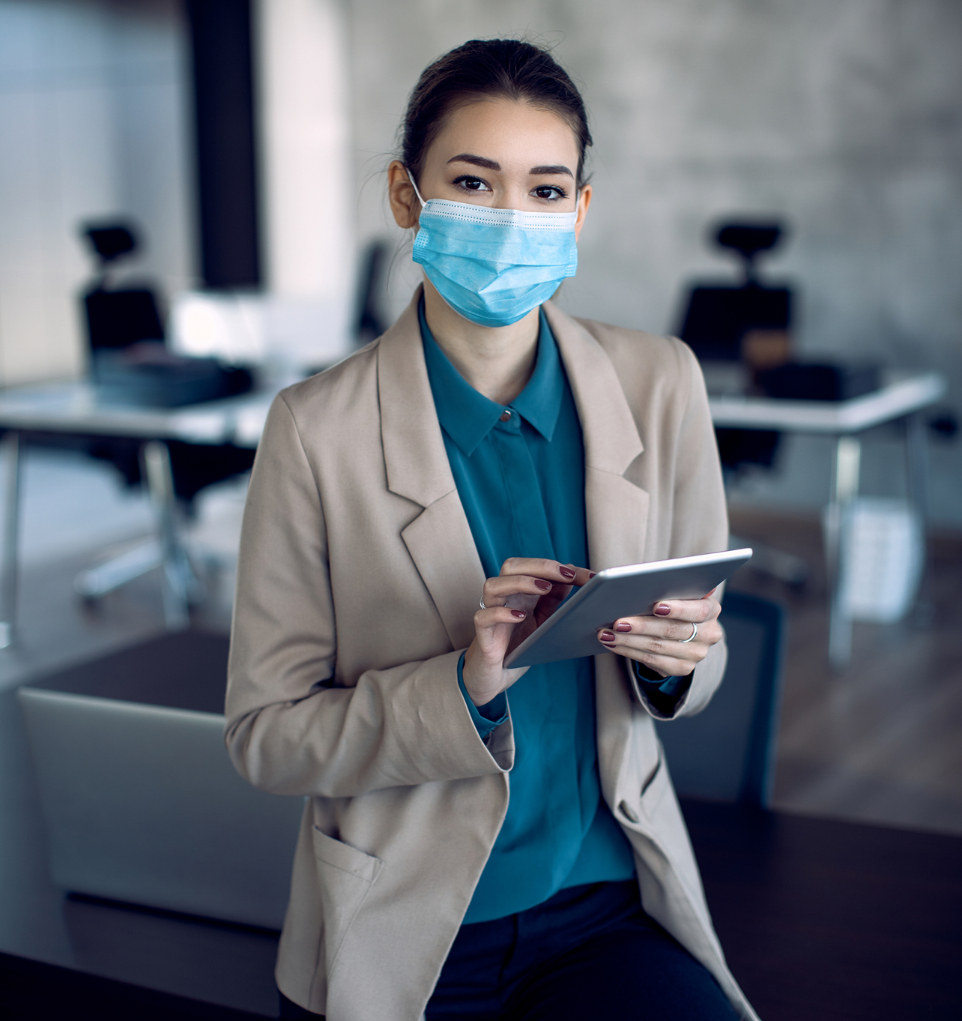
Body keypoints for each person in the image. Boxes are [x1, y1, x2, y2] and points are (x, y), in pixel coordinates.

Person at [226, 38, 758, 1021]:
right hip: (412, 924)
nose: (512, 218)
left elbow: (699, 652)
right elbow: (266, 739)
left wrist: (675, 662)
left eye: (545, 189)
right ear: (404, 195)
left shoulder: (660, 383)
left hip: (607, 905)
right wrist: (459, 689)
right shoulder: (314, 430)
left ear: (580, 211)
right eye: (472, 181)